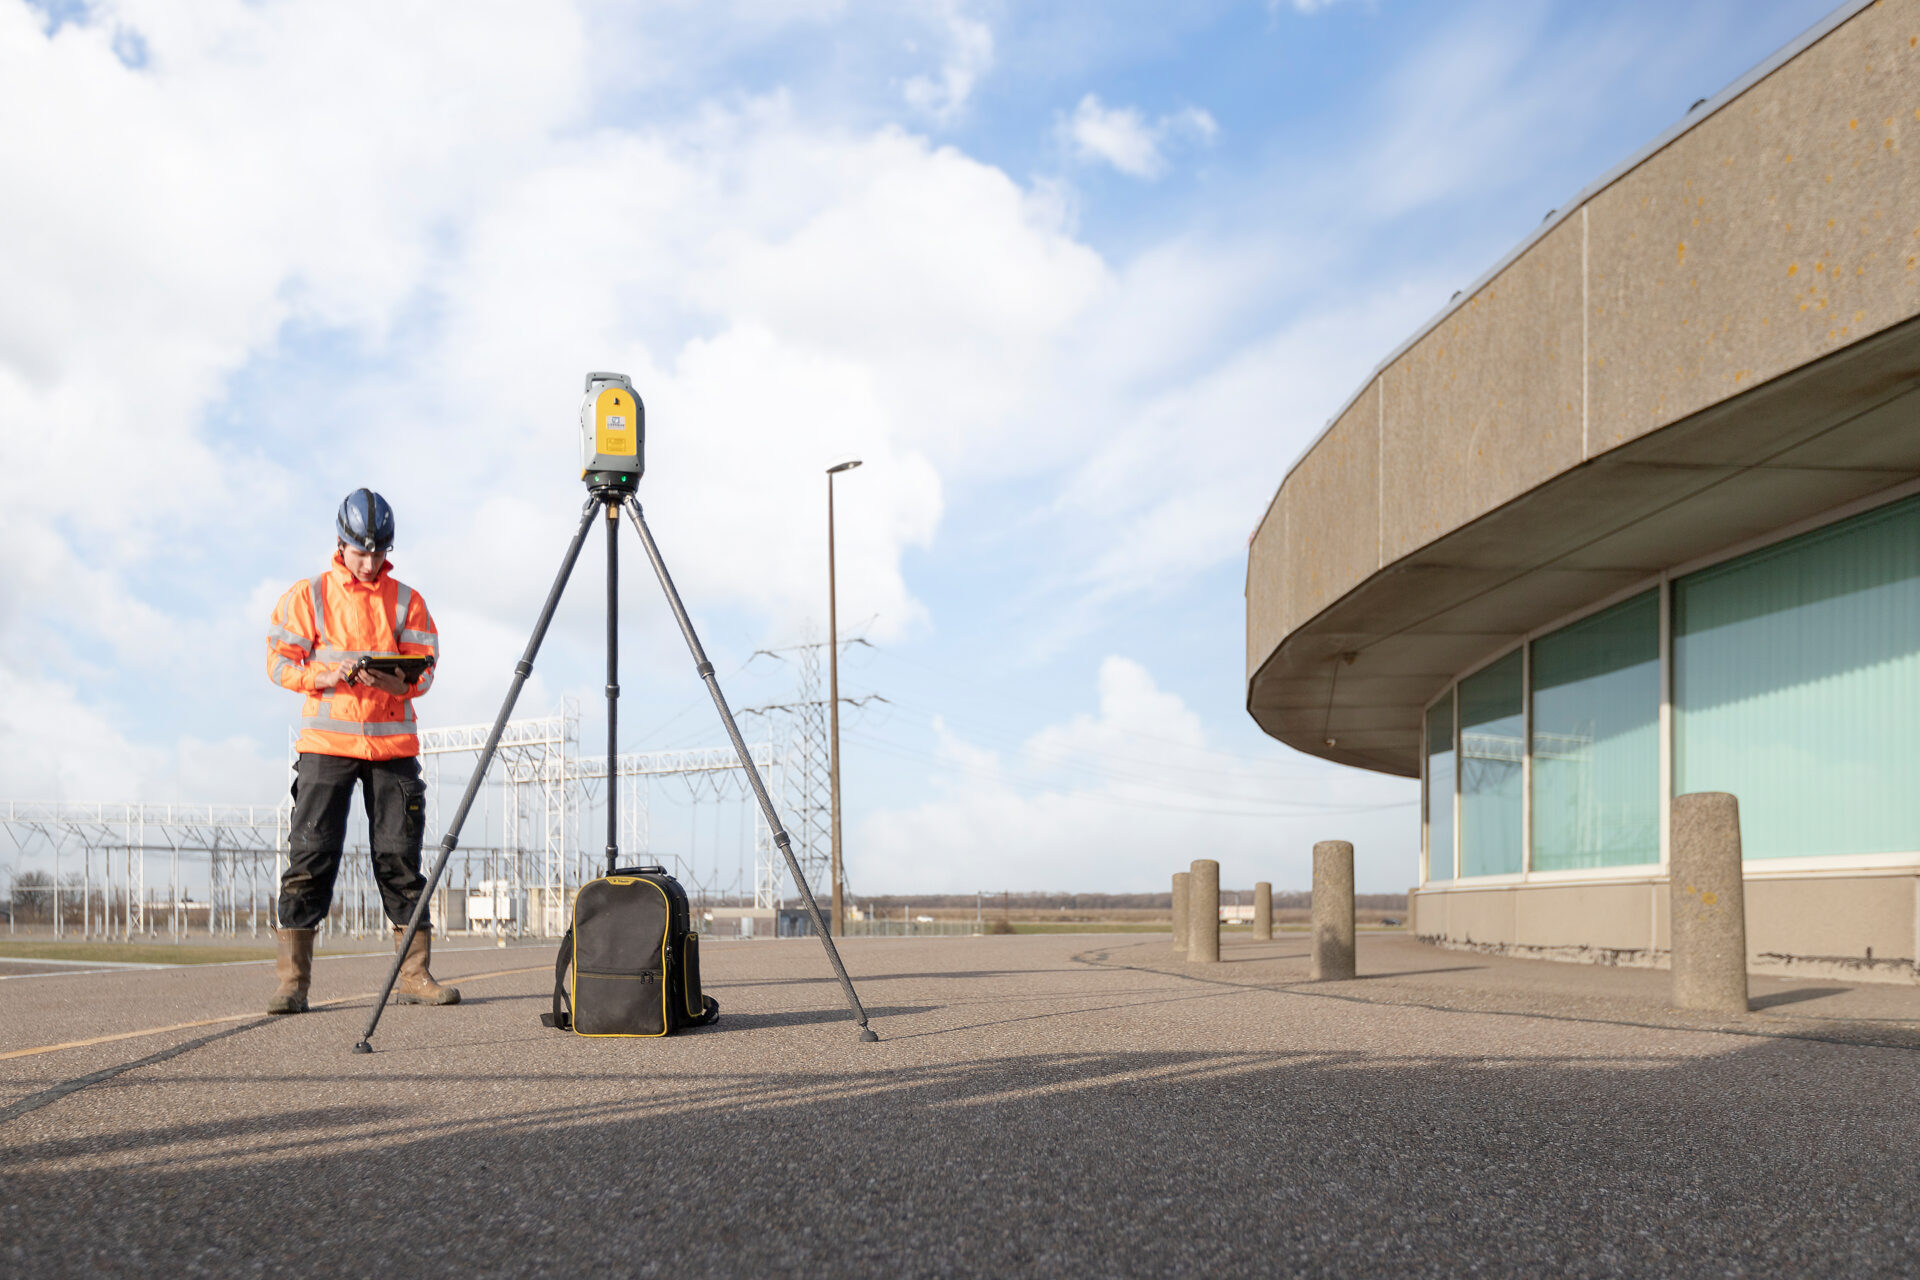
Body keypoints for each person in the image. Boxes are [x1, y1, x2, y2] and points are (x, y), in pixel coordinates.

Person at [263, 488, 458, 1014]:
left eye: (378, 552)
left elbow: (427, 666)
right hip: (327, 746)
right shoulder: (309, 596)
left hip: (392, 747)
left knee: (400, 859)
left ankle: (414, 975)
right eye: (360, 551)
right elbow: (279, 663)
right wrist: (325, 674)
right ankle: (292, 984)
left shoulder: (406, 599)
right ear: (341, 542)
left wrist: (403, 684)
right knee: (310, 858)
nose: (369, 562)